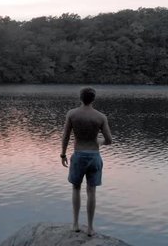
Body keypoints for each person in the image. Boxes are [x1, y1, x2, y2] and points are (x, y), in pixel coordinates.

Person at [60, 87, 112, 236]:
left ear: (80, 98)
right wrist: (99, 142)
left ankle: (75, 224)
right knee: (92, 191)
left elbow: (65, 137)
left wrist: (63, 155)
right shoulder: (101, 117)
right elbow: (109, 140)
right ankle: (90, 228)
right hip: (94, 156)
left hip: (78, 155)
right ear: (93, 99)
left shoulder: (72, 114)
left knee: (76, 188)